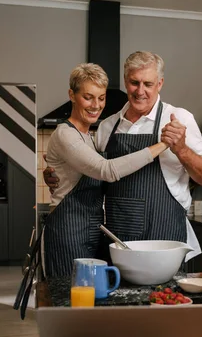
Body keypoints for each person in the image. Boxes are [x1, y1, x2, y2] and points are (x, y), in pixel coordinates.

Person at [45, 51, 202, 261]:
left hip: (164, 235)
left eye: (148, 84)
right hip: (118, 241)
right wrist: (57, 174)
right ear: (126, 81)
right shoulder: (107, 126)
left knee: (164, 295)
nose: (140, 91)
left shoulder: (179, 119)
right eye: (134, 82)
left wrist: (181, 149)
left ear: (160, 84)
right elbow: (95, 171)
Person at [43, 63, 169, 306]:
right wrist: (161, 145)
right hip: (68, 229)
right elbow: (107, 170)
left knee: (94, 299)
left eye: (101, 98)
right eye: (87, 97)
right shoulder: (65, 133)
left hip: (92, 228)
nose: (96, 105)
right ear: (72, 95)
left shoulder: (90, 137)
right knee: (69, 300)